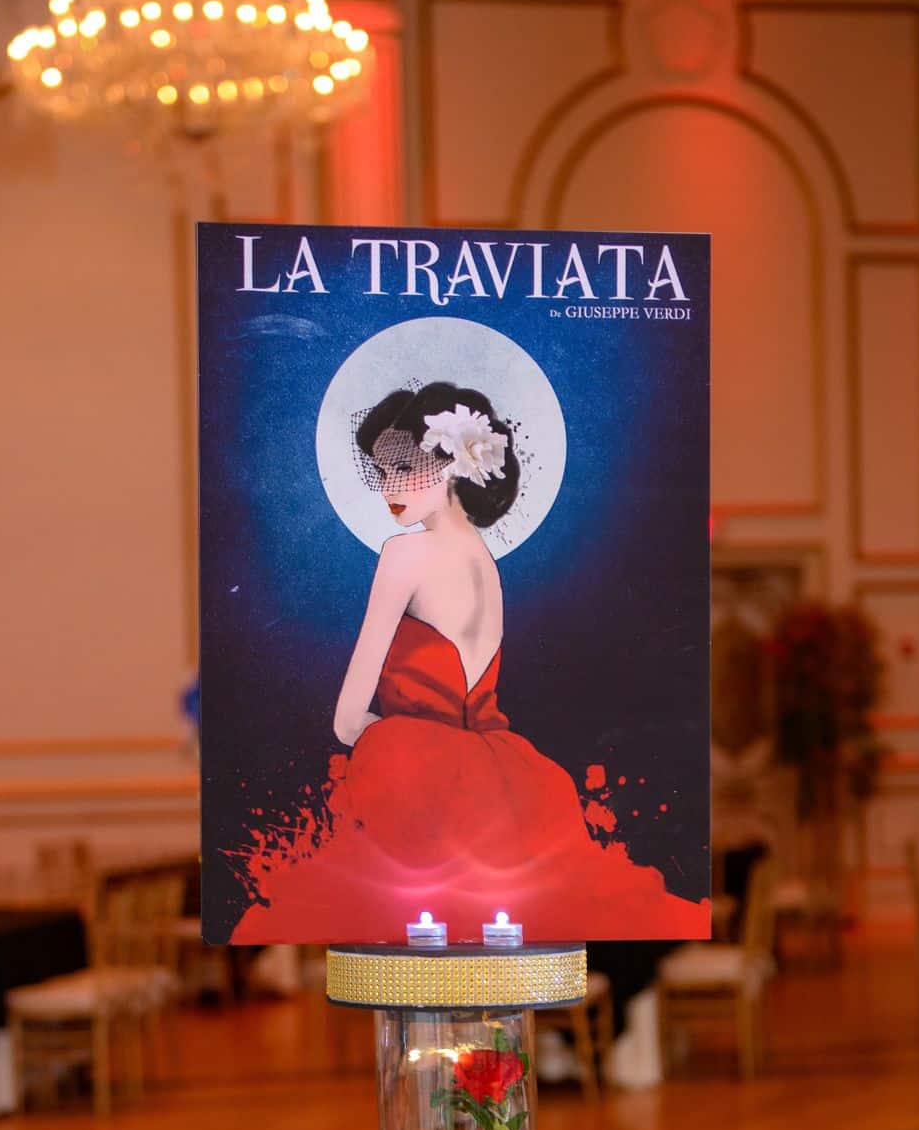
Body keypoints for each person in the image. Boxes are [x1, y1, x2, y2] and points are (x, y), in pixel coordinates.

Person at [230, 381, 707, 943]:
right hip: (510, 781)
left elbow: (345, 720)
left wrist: (385, 739)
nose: (388, 485)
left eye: (402, 466)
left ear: (450, 463)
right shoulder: (486, 562)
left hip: (418, 779)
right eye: (379, 470)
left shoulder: (405, 554)